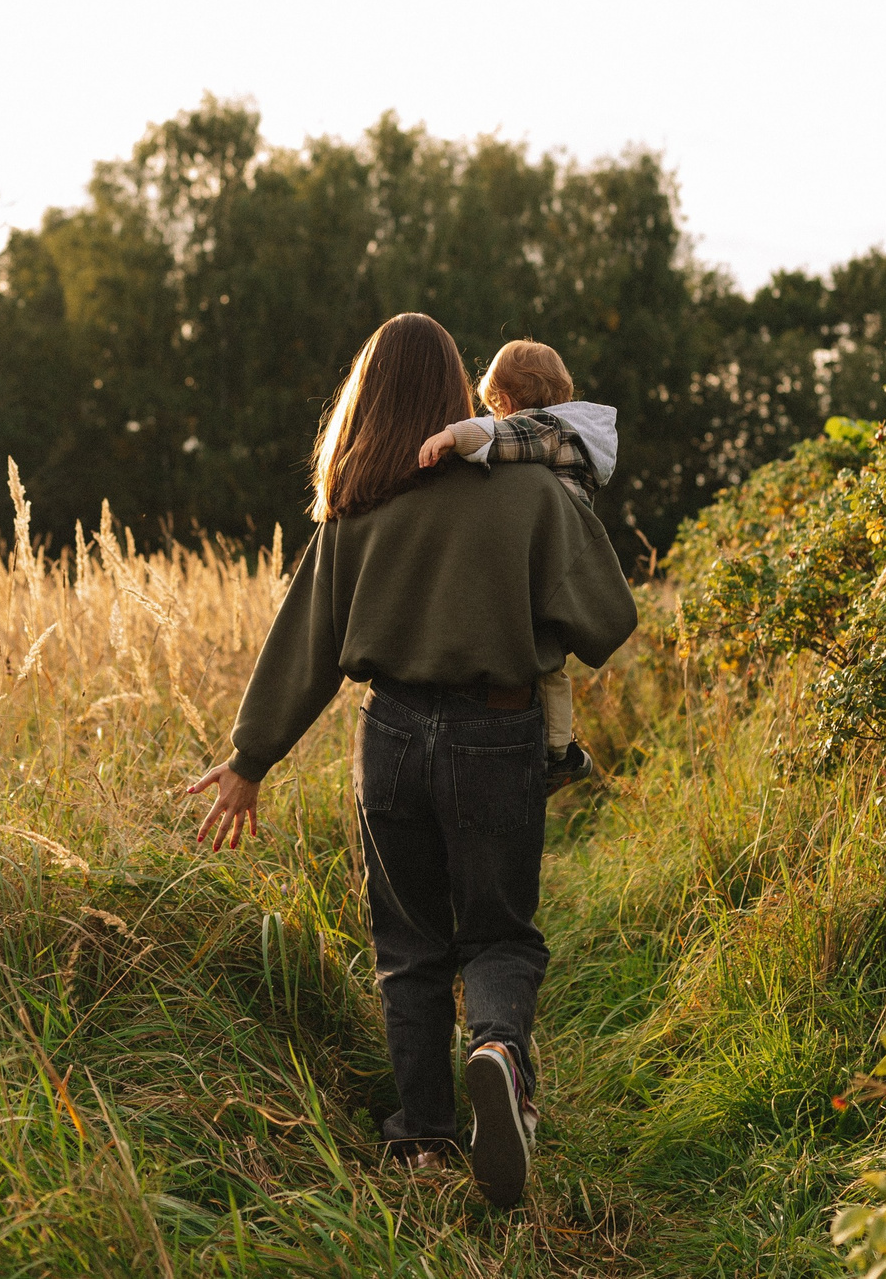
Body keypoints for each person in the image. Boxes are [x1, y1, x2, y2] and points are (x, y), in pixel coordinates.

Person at [185, 313, 638, 1210]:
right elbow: (607, 621)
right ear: (459, 389)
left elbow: (307, 643)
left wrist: (250, 759)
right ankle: (500, 1050)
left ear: (369, 396)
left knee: (409, 947)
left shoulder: (358, 503)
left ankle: (423, 1140)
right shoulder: (534, 492)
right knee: (499, 932)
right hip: (497, 733)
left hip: (388, 738)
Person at [414, 338, 616, 788]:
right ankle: (559, 752)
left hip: (544, 563)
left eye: (494, 408)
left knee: (542, 663)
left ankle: (557, 752)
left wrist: (452, 435)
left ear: (503, 401)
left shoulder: (547, 431)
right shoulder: (570, 432)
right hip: (554, 564)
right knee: (549, 666)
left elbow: (503, 436)